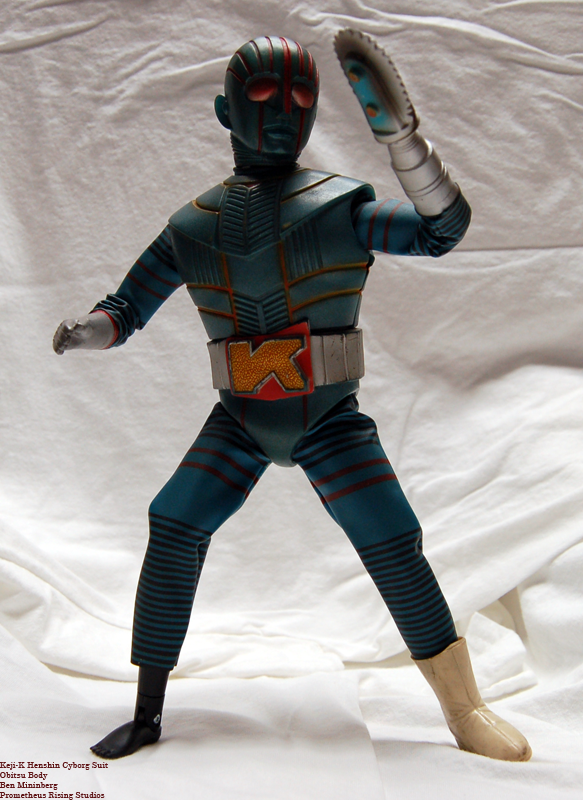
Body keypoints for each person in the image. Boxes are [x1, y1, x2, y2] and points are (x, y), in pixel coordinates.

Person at [53, 32, 531, 762]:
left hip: (327, 417)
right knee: (173, 523)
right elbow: (127, 305)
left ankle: (465, 710)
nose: (283, 112)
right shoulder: (192, 227)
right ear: (226, 110)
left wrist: (405, 144)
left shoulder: (340, 208)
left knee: (390, 540)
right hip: (241, 419)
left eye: (301, 96)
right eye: (262, 94)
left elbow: (441, 231)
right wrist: (91, 331)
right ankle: (147, 712)